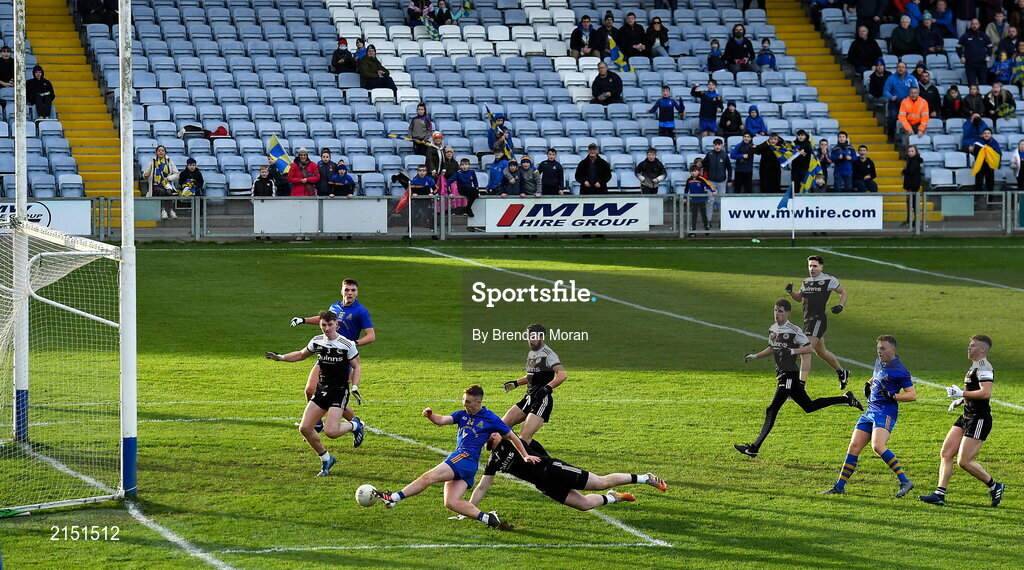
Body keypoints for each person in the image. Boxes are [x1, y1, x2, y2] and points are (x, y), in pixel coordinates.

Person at [371, 385, 541, 531]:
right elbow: (443, 420)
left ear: (478, 402)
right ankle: (489, 519)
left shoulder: (491, 419)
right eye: (463, 400)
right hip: (466, 464)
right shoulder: (462, 414)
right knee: (451, 502)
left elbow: (512, 436)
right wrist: (431, 416)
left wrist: (525, 455)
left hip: (465, 457)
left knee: (428, 477)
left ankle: (393, 497)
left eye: (468, 402)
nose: (464, 404)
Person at [734, 299, 862, 458]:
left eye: (780, 311)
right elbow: (772, 348)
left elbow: (809, 347)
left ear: (788, 313)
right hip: (782, 374)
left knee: (771, 409)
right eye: (775, 310)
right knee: (809, 406)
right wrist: (755, 356)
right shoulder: (773, 329)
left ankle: (754, 448)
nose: (777, 314)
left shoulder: (794, 330)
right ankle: (847, 399)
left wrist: (792, 352)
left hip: (789, 376)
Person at [265, 310, 363, 477]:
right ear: (320, 325)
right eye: (323, 325)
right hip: (322, 390)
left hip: (338, 391)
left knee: (331, 432)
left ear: (336, 325)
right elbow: (301, 355)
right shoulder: (317, 342)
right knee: (305, 428)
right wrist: (280, 357)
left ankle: (355, 425)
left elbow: (357, 366)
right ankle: (326, 458)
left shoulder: (346, 344)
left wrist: (354, 386)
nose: (327, 328)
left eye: (330, 325)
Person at [821, 335, 917, 498]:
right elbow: (877, 375)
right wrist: (869, 382)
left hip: (885, 412)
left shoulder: (900, 371)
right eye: (878, 348)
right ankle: (839, 486)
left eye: (883, 348)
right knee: (854, 447)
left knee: (878, 446)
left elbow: (912, 395)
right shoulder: (879, 361)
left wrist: (892, 396)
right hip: (870, 411)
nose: (880, 351)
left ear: (892, 350)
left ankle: (905, 481)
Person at [471, 434, 667, 511]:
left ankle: (645, 478)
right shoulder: (493, 462)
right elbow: (482, 487)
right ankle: (614, 498)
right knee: (584, 504)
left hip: (554, 470)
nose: (494, 433)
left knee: (601, 482)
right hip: (545, 485)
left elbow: (517, 431)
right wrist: (468, 509)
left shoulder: (509, 439)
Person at [920, 335, 1004, 507]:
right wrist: (961, 400)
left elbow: (986, 393)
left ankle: (995, 485)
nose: (969, 348)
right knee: (946, 453)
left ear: (983, 349)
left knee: (964, 461)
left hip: (979, 419)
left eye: (973, 346)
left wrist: (962, 394)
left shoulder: (985, 367)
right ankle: (939, 494)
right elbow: (975, 391)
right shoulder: (975, 366)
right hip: (967, 415)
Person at [289, 278, 375, 440]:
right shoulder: (335, 307)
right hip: (326, 354)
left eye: (353, 290)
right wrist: (303, 320)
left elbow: (371, 336)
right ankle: (317, 423)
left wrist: (352, 344)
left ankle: (357, 424)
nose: (349, 293)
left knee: (335, 397)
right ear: (341, 291)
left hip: (343, 360)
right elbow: (324, 321)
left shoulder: (360, 311)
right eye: (347, 290)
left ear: (357, 292)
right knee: (309, 389)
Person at [785, 255, 852, 389]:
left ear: (821, 267)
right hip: (808, 321)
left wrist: (840, 306)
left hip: (818, 320)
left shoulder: (828, 280)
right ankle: (842, 372)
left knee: (805, 351)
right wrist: (791, 292)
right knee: (821, 352)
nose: (812, 269)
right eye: (810, 266)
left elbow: (843, 292)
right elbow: (799, 298)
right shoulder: (806, 282)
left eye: (815, 266)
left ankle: (800, 387)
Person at [500, 324, 567, 444]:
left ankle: (536, 458)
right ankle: (511, 452)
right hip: (528, 398)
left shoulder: (549, 355)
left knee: (524, 439)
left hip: (541, 401)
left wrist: (547, 388)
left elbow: (562, 375)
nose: (531, 340)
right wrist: (516, 383)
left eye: (534, 337)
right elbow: (532, 376)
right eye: (529, 337)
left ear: (542, 337)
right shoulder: (532, 354)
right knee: (500, 427)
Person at [142, 145, 180, 220]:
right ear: (156, 152)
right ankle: (163, 210)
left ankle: (171, 210)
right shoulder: (152, 162)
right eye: (159, 150)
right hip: (156, 184)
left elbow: (176, 174)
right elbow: (145, 174)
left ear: (165, 152)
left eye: (162, 150)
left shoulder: (169, 161)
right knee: (161, 191)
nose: (161, 152)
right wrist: (146, 175)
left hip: (167, 184)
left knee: (169, 192)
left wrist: (168, 178)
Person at [883, 61, 918, 137]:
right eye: (899, 67)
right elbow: (886, 90)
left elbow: (916, 89)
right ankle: (891, 136)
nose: (900, 69)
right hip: (895, 102)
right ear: (896, 68)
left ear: (906, 69)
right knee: (892, 117)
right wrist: (891, 97)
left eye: (902, 67)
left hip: (908, 102)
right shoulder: (891, 78)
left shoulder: (911, 78)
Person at [958, 19, 993, 86]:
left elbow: (990, 46)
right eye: (973, 24)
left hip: (982, 64)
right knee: (971, 85)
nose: (974, 26)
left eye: (976, 24)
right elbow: (958, 47)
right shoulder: (965, 36)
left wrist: (989, 56)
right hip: (970, 65)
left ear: (979, 25)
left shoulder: (984, 35)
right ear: (971, 25)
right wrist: (961, 57)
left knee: (983, 85)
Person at [703, 138, 732, 216]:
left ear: (722, 145)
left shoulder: (725, 155)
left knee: (721, 201)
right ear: (713, 145)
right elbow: (703, 164)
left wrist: (729, 180)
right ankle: (708, 220)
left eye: (719, 145)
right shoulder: (709, 154)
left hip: (722, 181)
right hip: (711, 181)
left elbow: (729, 168)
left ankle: (722, 220)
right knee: (710, 201)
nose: (717, 146)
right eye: (716, 145)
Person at [684, 165, 715, 235]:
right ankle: (693, 230)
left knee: (703, 214)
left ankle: (706, 228)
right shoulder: (689, 180)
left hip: (701, 200)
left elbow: (709, 185)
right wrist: (685, 198)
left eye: (695, 171)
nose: (693, 173)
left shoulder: (701, 179)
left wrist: (713, 191)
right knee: (694, 215)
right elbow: (686, 190)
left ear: (698, 172)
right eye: (692, 171)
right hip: (693, 200)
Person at [971, 127, 1001, 191]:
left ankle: (990, 199)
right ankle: (977, 199)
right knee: (979, 183)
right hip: (980, 165)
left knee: (990, 183)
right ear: (982, 135)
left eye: (988, 133)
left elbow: (998, 153)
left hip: (989, 165)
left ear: (991, 135)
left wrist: (988, 150)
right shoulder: (978, 142)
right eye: (985, 133)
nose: (986, 135)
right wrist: (972, 150)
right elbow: (975, 153)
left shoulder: (994, 143)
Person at [902, 144, 924, 226]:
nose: (910, 153)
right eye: (909, 151)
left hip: (912, 185)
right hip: (912, 185)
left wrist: (904, 171)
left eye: (912, 151)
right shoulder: (912, 160)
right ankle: (912, 220)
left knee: (912, 203)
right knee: (911, 203)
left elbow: (911, 171)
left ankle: (913, 221)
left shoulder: (914, 161)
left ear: (916, 152)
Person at [0, 46, 14, 112]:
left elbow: (14, 74)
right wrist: (3, 83)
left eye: (8, 52)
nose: (6, 54)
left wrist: (11, 82)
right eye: (4, 52)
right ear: (1, 53)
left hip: (11, 83)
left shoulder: (13, 62)